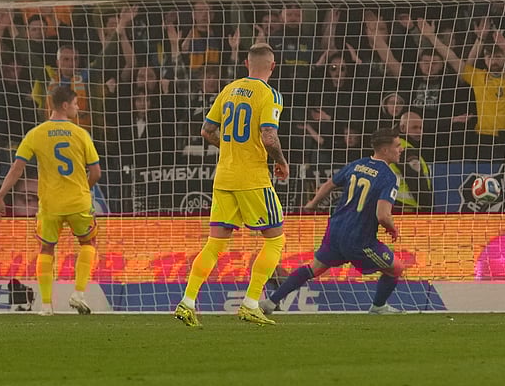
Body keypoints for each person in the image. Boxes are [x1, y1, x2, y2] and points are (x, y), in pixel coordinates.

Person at [174, 43, 287, 328]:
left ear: (246, 64)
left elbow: (206, 130)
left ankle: (187, 302)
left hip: (224, 177)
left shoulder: (229, 90)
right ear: (272, 66)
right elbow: (269, 137)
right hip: (252, 179)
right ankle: (250, 303)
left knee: (215, 244)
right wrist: (281, 162)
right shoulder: (269, 94)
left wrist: (229, 147)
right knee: (275, 239)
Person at [260, 128, 406, 315]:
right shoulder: (389, 177)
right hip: (359, 238)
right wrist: (392, 229)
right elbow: (383, 215)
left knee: (314, 268)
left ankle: (270, 302)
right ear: (385, 150)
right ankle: (378, 306)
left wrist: (312, 204)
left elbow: (330, 184)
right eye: (398, 146)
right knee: (396, 268)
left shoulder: (357, 164)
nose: (400, 149)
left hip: (335, 230)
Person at [0, 86, 101, 315]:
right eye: (75, 103)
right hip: (78, 202)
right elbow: (96, 172)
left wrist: (1, 195)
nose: (78, 107)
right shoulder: (81, 134)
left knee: (46, 248)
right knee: (88, 244)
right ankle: (78, 294)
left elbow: (17, 169)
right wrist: (83, 189)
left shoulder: (35, 134)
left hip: (50, 205)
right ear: (64, 105)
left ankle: (46, 305)